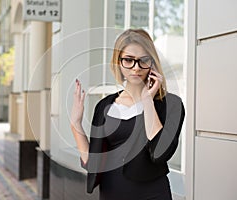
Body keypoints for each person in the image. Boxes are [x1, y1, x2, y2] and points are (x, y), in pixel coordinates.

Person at [70, 29, 185, 200]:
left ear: (152, 62)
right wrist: (76, 123)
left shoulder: (171, 105)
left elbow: (161, 154)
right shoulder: (104, 107)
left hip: (152, 194)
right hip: (112, 193)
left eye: (143, 60)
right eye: (129, 60)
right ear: (118, 62)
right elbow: (93, 164)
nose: (136, 68)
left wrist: (147, 100)